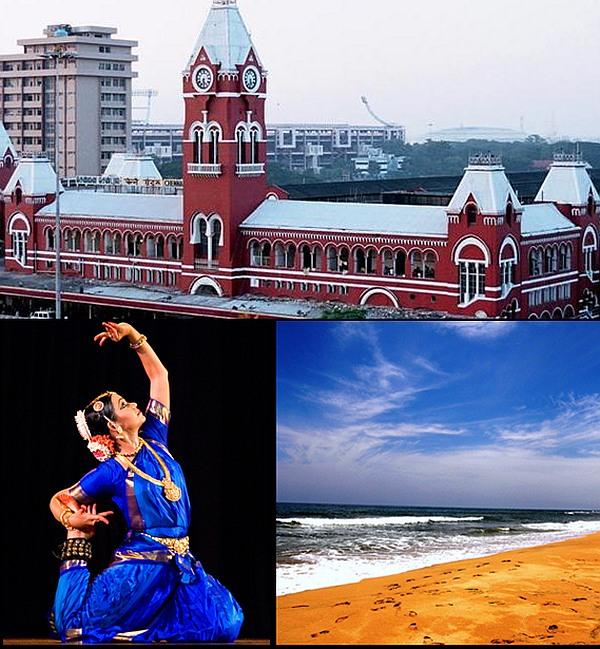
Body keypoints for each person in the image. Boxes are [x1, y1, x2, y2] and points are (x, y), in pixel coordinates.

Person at [49, 321, 244, 643]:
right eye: (125, 405)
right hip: (139, 566)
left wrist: (133, 337)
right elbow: (60, 498)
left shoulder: (156, 438)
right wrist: (73, 521)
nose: (135, 404)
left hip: (181, 563)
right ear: (112, 426)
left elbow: (159, 377)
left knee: (226, 624)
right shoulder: (111, 471)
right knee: (75, 628)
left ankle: (144, 631)